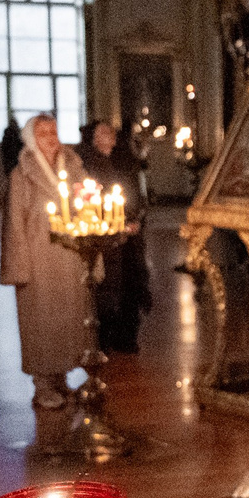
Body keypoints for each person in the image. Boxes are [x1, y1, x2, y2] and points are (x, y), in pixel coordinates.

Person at [0, 113, 89, 448]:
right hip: (38, 256)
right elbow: (15, 222)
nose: (51, 138)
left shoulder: (73, 164)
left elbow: (87, 202)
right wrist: (18, 266)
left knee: (67, 317)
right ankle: (43, 383)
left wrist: (83, 198)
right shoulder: (22, 172)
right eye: (43, 133)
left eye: (53, 131)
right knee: (41, 319)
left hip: (68, 254)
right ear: (30, 138)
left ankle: (62, 376)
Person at [80, 118, 151, 354]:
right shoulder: (89, 163)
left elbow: (134, 193)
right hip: (105, 233)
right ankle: (104, 338)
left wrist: (134, 219)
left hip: (127, 234)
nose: (111, 136)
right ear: (94, 138)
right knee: (108, 284)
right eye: (104, 133)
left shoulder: (122, 160)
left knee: (128, 282)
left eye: (112, 133)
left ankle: (124, 335)